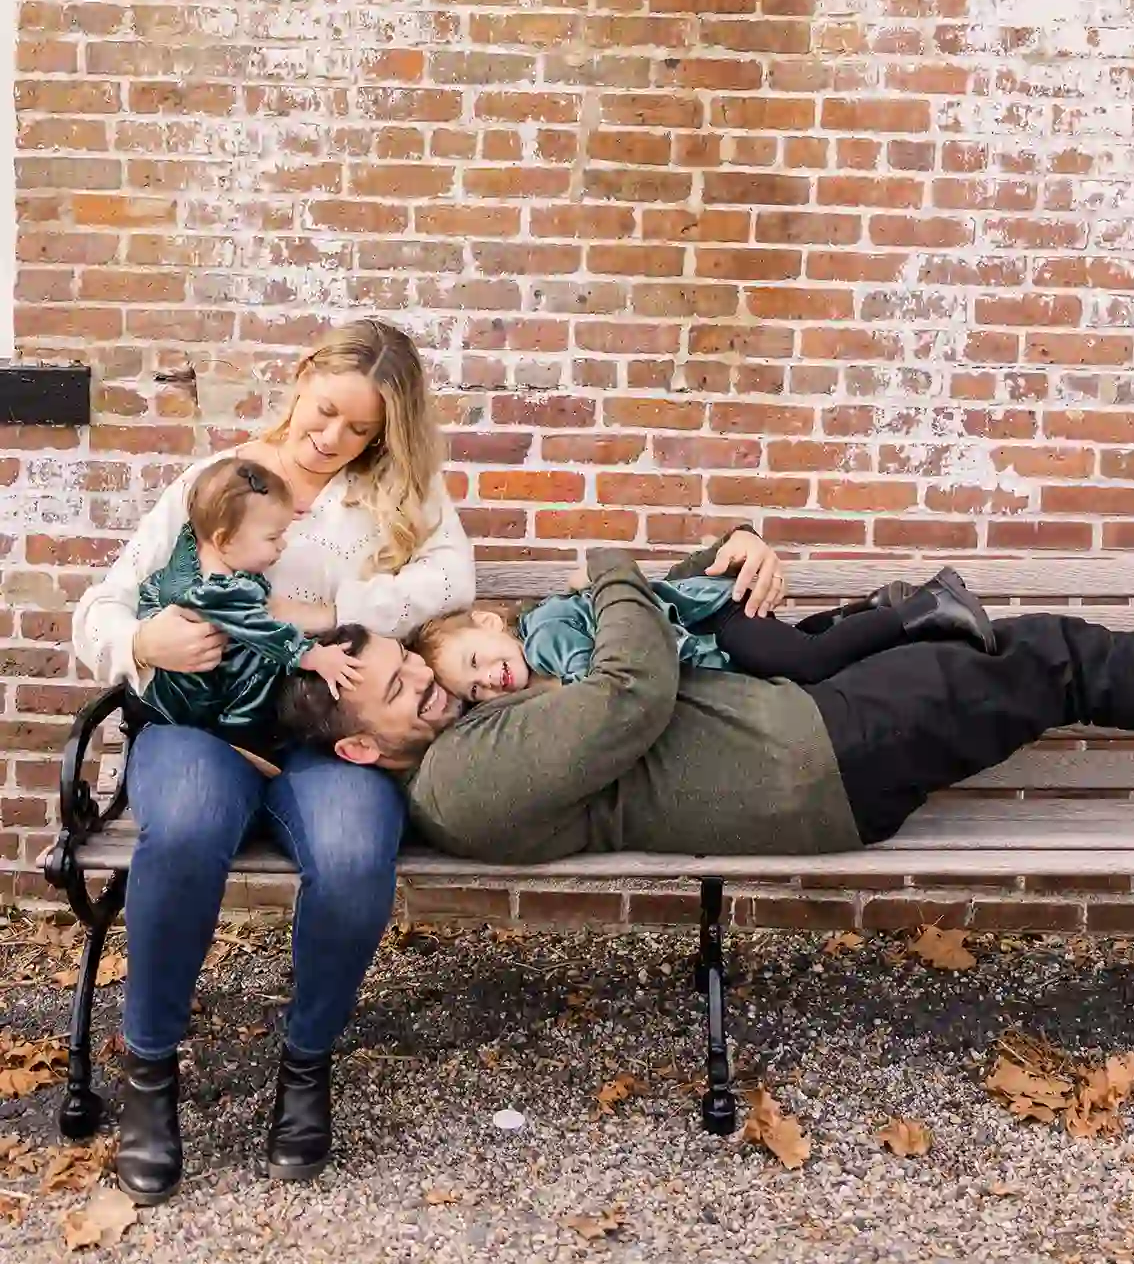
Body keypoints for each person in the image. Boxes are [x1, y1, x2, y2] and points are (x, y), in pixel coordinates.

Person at [275, 536, 1134, 877]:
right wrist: (608, 570)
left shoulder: (468, 726)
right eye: (400, 684)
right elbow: (628, 693)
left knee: (1052, 652)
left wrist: (716, 551)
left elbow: (631, 653)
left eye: (405, 657)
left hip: (802, 733)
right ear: (366, 744)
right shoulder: (461, 781)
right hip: (810, 761)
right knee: (1052, 659)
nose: (426, 673)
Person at [72, 318, 477, 1204]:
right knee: (182, 831)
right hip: (201, 728)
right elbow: (99, 605)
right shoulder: (216, 483)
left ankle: (305, 1063)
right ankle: (149, 1075)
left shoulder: (396, 494)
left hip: (324, 737)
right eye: (325, 411)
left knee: (353, 853)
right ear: (300, 379)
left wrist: (355, 601)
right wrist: (143, 636)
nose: (331, 439)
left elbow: (455, 576)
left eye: (359, 429)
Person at [409, 564, 995, 701]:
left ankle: (928, 606)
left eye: (477, 661)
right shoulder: (537, 641)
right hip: (709, 629)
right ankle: (869, 609)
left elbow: (600, 682)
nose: (491, 679)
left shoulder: (542, 635)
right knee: (794, 654)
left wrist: (552, 694)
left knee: (810, 666)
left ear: (489, 623)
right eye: (477, 690)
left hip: (709, 620)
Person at [133, 456, 360, 747]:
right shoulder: (217, 592)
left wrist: (275, 516)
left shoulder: (194, 544)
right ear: (225, 541)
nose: (283, 544)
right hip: (192, 704)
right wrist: (319, 657)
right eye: (273, 537)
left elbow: (211, 514)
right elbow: (269, 633)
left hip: (174, 687)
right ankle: (244, 736)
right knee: (262, 663)